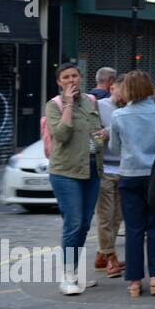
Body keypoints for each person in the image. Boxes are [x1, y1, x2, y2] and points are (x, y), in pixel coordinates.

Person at [111, 71, 155, 297]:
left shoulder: (119, 116)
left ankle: (134, 282)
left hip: (129, 176)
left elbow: (114, 148)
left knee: (134, 229)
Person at [46, 62, 107, 295]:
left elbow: (97, 132)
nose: (71, 80)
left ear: (81, 77)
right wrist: (69, 105)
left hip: (91, 168)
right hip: (66, 172)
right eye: (66, 77)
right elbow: (61, 134)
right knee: (74, 222)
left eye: (74, 75)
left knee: (84, 224)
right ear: (59, 82)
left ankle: (76, 275)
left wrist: (103, 134)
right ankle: (66, 277)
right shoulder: (55, 105)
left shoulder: (91, 101)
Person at [92, 76, 125, 279]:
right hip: (103, 168)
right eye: (123, 89)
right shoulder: (97, 106)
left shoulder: (127, 109)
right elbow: (93, 134)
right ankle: (111, 258)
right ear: (112, 87)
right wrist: (100, 134)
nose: (126, 94)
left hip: (122, 168)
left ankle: (101, 255)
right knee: (105, 216)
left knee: (116, 217)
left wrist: (111, 131)